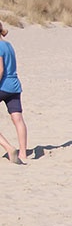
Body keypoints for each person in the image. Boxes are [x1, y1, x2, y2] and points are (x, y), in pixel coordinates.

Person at [0, 22, 28, 165]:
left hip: (2, 86)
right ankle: (23, 153)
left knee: (17, 119)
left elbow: (0, 70)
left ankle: (8, 147)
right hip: (14, 86)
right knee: (18, 119)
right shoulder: (9, 45)